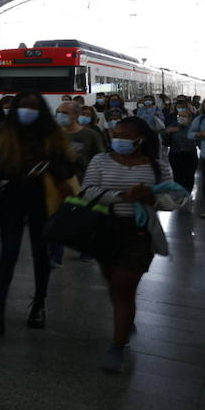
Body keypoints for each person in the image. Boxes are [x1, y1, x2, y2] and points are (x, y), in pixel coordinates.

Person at [81, 118, 180, 373]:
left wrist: (151, 197)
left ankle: (118, 344)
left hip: (138, 233)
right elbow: (87, 191)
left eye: (124, 136)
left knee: (123, 288)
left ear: (140, 139)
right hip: (104, 229)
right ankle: (125, 320)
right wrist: (121, 196)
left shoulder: (158, 166)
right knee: (114, 285)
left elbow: (173, 199)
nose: (118, 140)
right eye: (115, 135)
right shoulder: (100, 161)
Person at [0, 90, 74, 334]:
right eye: (23, 105)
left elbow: (69, 167)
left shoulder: (53, 136)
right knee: (7, 254)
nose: (26, 110)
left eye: (32, 106)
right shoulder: (6, 134)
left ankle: (39, 306)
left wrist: (49, 167)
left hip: (43, 201)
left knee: (41, 255)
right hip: (11, 200)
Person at [49, 99, 107, 267]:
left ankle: (86, 249)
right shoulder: (53, 134)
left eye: (65, 113)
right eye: (59, 112)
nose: (60, 116)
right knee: (56, 219)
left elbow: (100, 158)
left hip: (82, 183)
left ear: (76, 115)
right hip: (57, 183)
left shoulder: (90, 135)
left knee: (82, 220)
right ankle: (55, 255)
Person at [164, 105, 199, 195]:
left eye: (184, 116)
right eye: (179, 116)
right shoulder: (172, 126)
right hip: (175, 154)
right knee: (177, 176)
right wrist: (167, 133)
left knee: (189, 176)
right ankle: (179, 195)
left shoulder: (194, 127)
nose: (181, 118)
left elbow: (199, 140)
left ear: (190, 117)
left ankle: (187, 194)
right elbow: (165, 141)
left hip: (190, 154)